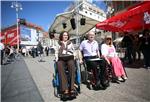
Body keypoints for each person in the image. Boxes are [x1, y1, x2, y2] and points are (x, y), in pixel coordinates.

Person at [55, 31, 76, 97]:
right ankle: (65, 89)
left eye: (66, 35)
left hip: (69, 57)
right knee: (59, 65)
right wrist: (56, 58)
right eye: (64, 35)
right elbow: (56, 52)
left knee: (72, 65)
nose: (65, 36)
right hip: (61, 58)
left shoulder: (70, 43)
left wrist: (74, 56)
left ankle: (72, 88)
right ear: (61, 36)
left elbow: (74, 51)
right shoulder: (58, 43)